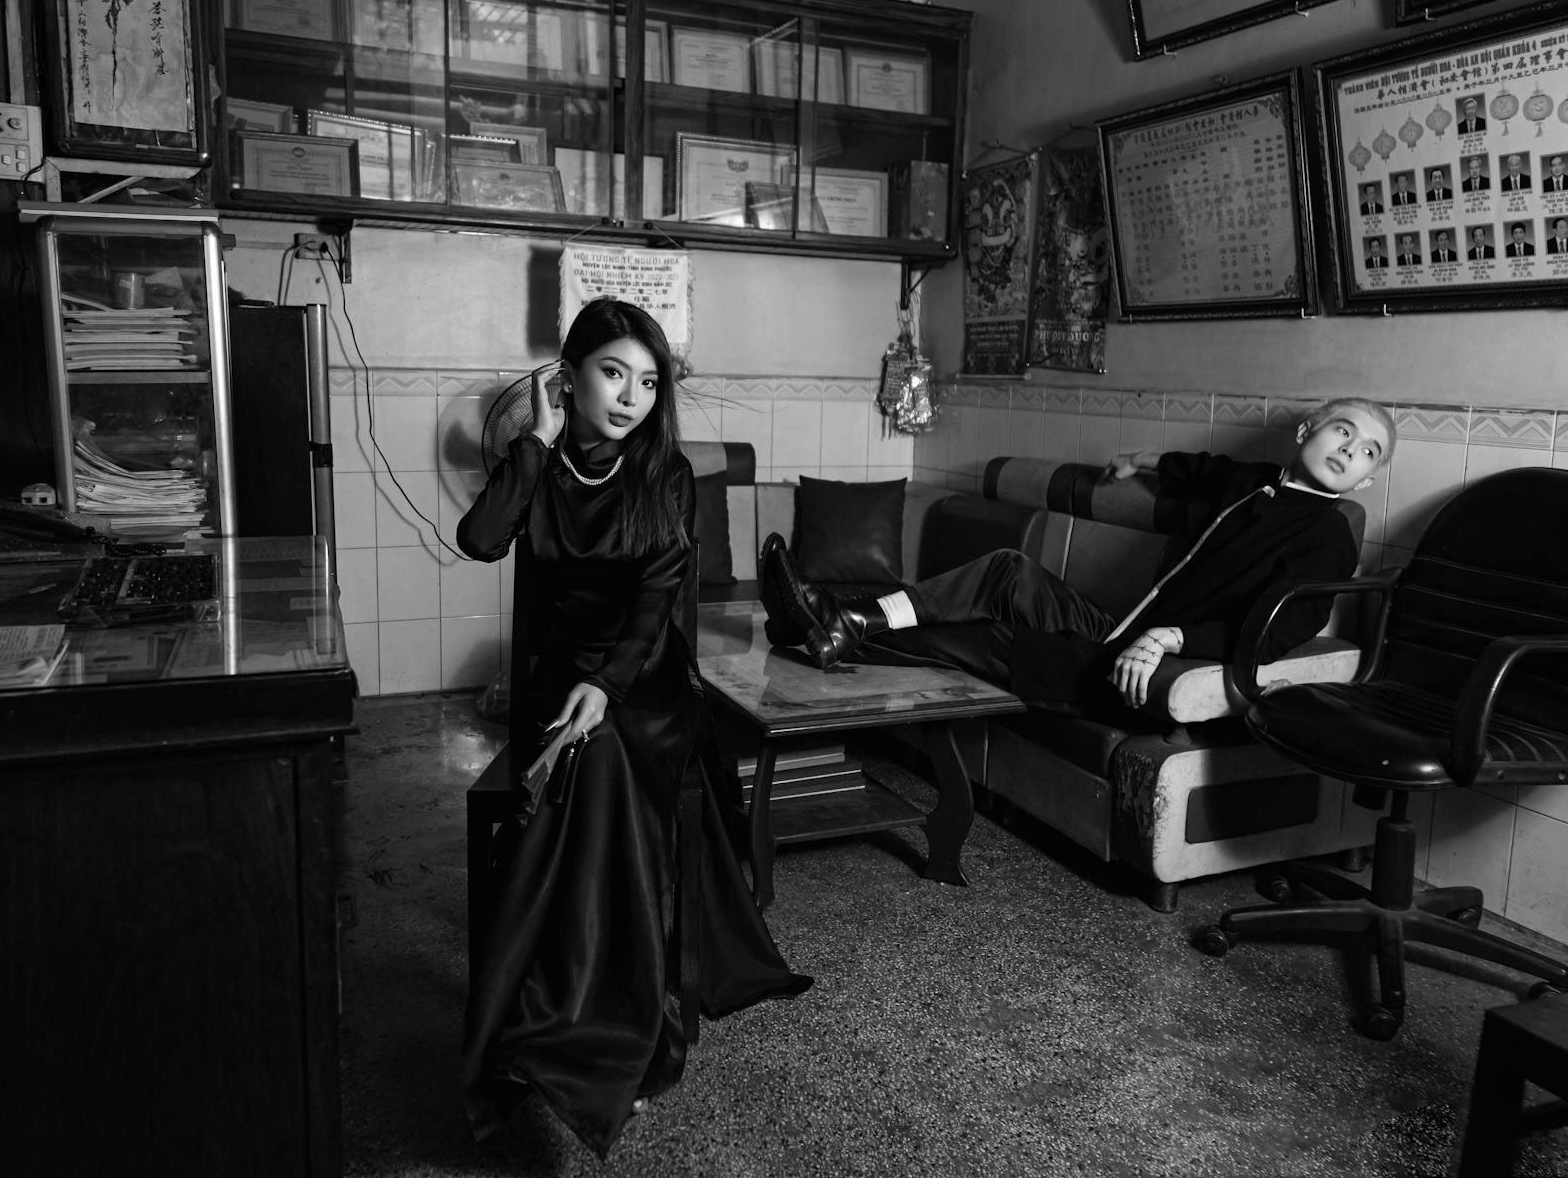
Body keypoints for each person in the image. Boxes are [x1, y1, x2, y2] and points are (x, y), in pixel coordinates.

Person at [457, 298, 810, 1157]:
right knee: (579, 748)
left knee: (601, 751)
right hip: (558, 680)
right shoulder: (535, 463)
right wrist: (533, 446)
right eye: (613, 373)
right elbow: (479, 538)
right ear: (568, 375)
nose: (630, 397)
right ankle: (543, 1025)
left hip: (644, 680)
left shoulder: (666, 473)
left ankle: (594, 1029)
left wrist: (607, 688)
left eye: (648, 382)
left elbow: (657, 607)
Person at [759, 399, 1394, 725]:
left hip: (1147, 665)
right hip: (1118, 630)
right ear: (1307, 429)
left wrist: (1176, 638)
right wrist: (1141, 461)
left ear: (1366, 482)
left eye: (1368, 452)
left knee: (985, 638)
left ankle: (833, 626)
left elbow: (1287, 627)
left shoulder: (1328, 536)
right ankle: (844, 622)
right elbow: (1203, 470)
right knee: (1008, 568)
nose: (1350, 450)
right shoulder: (1254, 480)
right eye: (1343, 430)